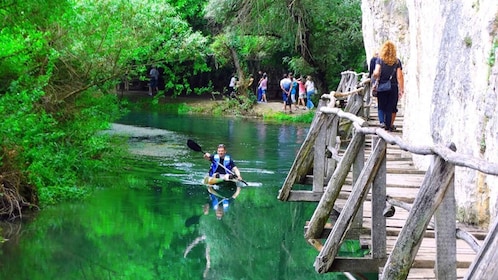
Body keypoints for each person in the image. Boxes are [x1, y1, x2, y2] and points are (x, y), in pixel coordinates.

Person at [373, 40, 404, 132]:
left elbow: (377, 72)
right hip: (393, 87)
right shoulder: (397, 62)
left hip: (382, 86)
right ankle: (390, 125)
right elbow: (399, 76)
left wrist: (375, 76)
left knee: (381, 106)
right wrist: (401, 89)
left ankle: (382, 122)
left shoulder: (380, 60)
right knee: (392, 107)